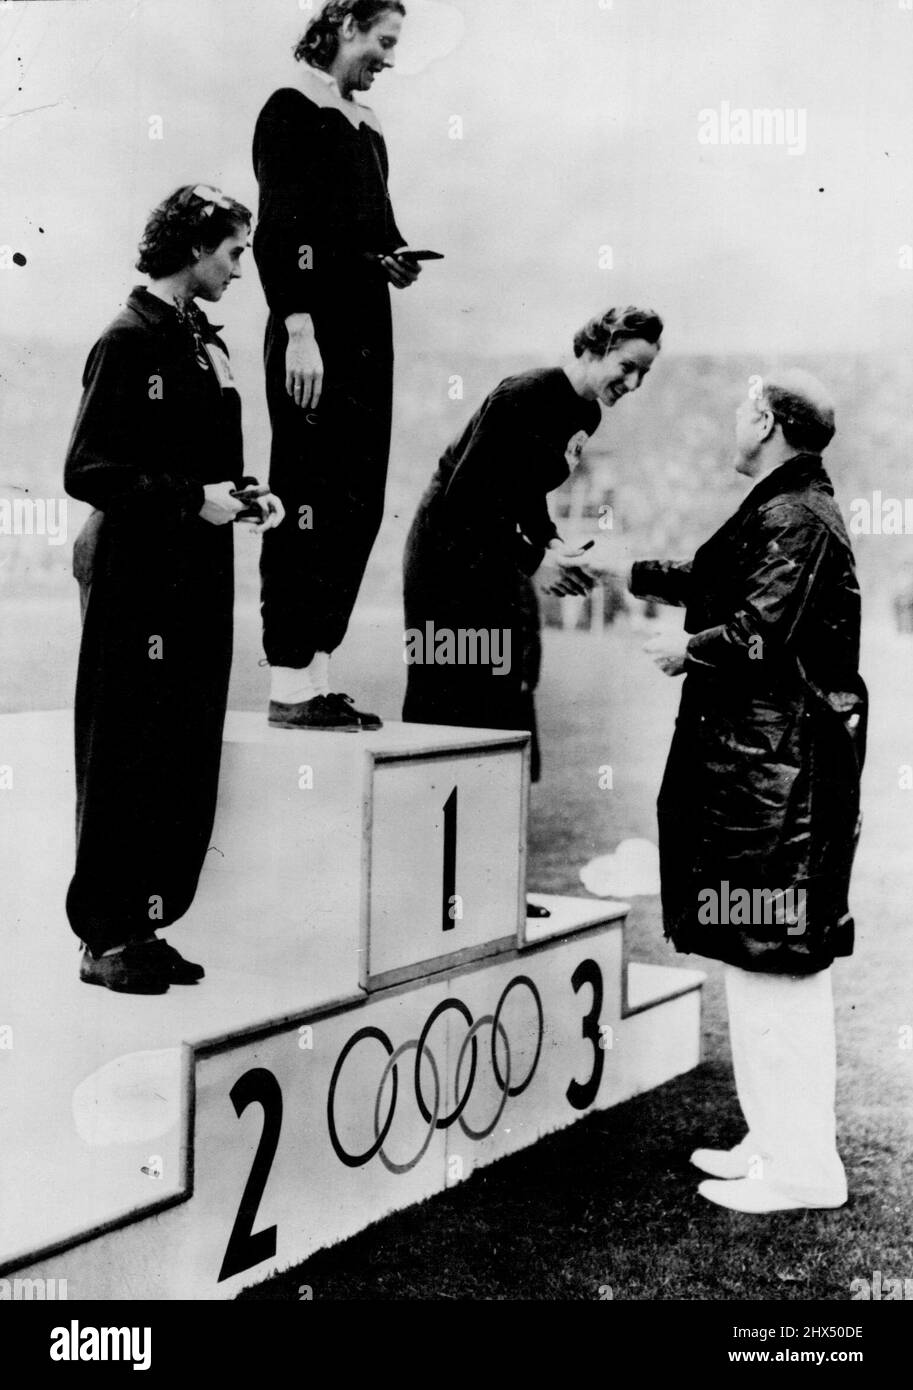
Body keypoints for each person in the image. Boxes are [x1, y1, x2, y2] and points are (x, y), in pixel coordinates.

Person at [629, 368, 867, 1211]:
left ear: (764, 418)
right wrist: (631, 572)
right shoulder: (782, 503)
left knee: (779, 965)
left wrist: (681, 650)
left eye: (740, 409)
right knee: (754, 952)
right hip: (763, 771)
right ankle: (773, 1140)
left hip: (782, 778)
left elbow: (757, 631)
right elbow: (715, 577)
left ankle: (805, 1168)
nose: (732, 421)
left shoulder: (795, 513)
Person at [64, 185, 284, 995]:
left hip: (195, 575)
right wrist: (195, 499)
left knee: (181, 750)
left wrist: (244, 493)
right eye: (232, 252)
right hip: (140, 580)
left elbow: (196, 459)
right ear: (194, 248)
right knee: (127, 746)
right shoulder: (127, 338)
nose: (240, 268)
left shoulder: (199, 339)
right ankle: (105, 936)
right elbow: (87, 470)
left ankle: (146, 924)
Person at [402, 306, 663, 914]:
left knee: (508, 707)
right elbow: (466, 499)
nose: (632, 384)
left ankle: (489, 891)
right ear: (595, 348)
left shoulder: (585, 413)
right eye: (628, 367)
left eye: (644, 375)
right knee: (452, 718)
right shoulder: (524, 394)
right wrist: (531, 555)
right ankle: (429, 895)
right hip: (448, 563)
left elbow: (526, 493)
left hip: (496, 561)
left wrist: (548, 543)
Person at [253, 0, 422, 732]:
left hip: (363, 334)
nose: (389, 58)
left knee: (355, 502)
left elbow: (368, 230)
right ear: (346, 24)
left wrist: (392, 258)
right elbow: (278, 231)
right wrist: (298, 327)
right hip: (312, 334)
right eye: (383, 42)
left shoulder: (368, 123)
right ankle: (289, 681)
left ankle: (317, 676)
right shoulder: (290, 108)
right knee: (308, 493)